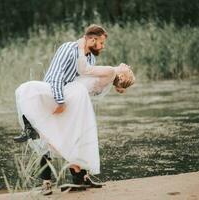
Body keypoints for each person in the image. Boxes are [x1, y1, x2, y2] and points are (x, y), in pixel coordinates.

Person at [14, 25, 135, 195]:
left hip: (72, 99)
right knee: (47, 139)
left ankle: (81, 177)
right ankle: (46, 183)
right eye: (101, 43)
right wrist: (60, 101)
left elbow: (86, 83)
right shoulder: (68, 49)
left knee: (74, 137)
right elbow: (54, 77)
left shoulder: (91, 58)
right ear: (92, 39)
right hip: (55, 95)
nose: (102, 46)